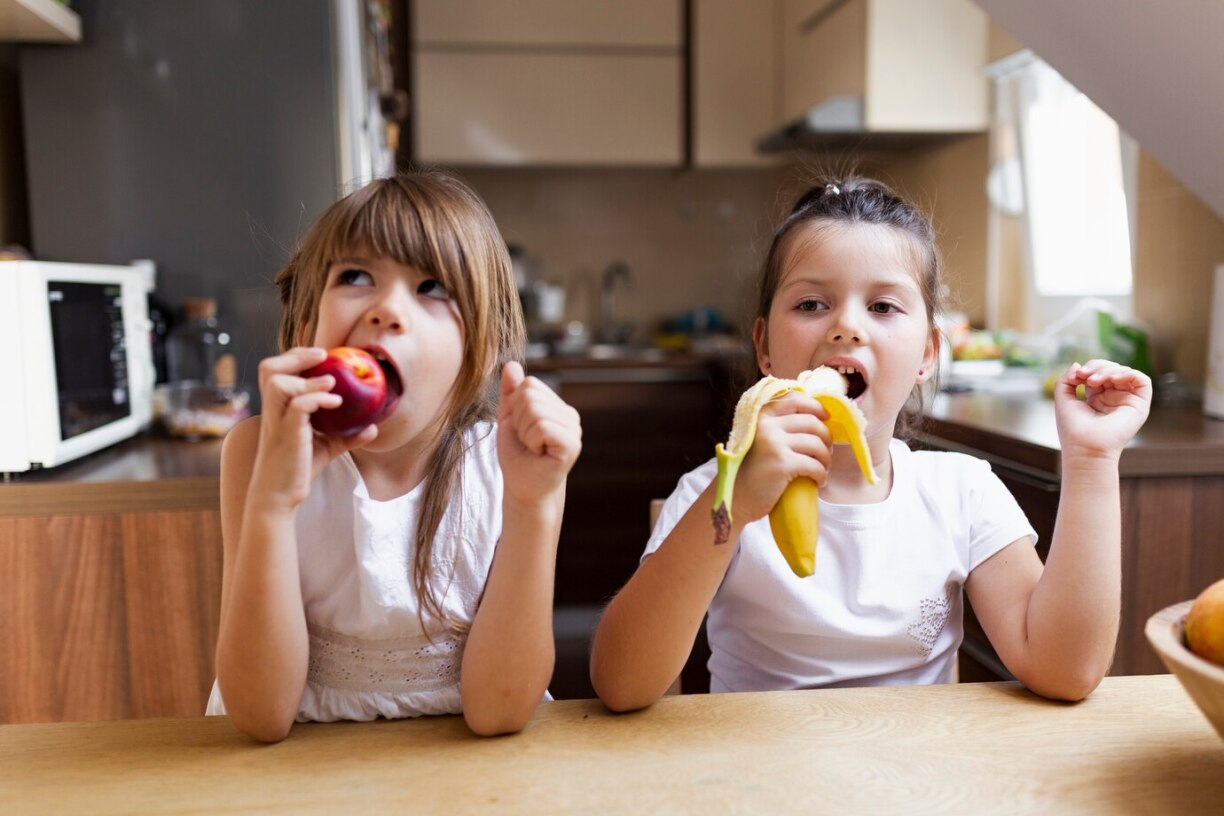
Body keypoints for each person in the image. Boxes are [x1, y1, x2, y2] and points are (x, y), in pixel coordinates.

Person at [590, 177, 1152, 711]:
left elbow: (1065, 670)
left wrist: (1092, 461)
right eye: (812, 304)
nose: (847, 327)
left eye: (883, 307)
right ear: (764, 347)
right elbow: (621, 684)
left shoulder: (962, 494)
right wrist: (732, 507)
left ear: (929, 352)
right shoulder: (713, 495)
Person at [208, 171, 582, 741]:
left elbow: (499, 714)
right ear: (307, 323)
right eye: (356, 276)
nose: (387, 309)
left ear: (478, 349)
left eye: (432, 288)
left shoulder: (505, 466)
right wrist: (272, 503)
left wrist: (536, 505)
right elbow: (261, 716)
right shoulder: (258, 452)